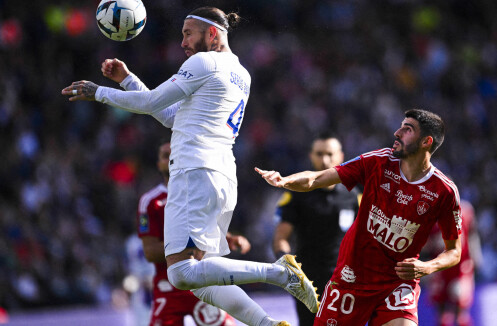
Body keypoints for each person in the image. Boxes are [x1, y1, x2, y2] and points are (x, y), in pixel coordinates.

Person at [62, 7, 319, 326]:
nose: (182, 42)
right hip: (222, 176)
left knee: (181, 273)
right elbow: (174, 118)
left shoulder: (203, 61)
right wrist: (128, 80)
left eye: (188, 33)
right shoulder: (241, 73)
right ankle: (268, 324)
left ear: (212, 34)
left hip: (194, 171)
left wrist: (97, 92)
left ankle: (279, 273)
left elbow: (152, 102)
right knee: (202, 279)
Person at [256, 109, 463, 326]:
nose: (397, 132)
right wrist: (284, 180)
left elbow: (454, 251)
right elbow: (315, 179)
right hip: (351, 278)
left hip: (397, 283)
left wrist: (428, 266)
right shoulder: (377, 162)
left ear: (426, 142)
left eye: (407, 129)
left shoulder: (444, 191)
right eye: (401, 126)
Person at [137, 142, 251, 326]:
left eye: (175, 154)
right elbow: (150, 252)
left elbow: (210, 230)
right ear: (159, 164)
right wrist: (195, 244)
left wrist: (228, 238)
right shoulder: (151, 202)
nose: (171, 159)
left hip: (204, 284)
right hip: (168, 289)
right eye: (165, 156)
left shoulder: (202, 193)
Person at [271, 133, 360, 326]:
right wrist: (287, 264)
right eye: (319, 154)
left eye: (329, 153)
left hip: (344, 280)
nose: (324, 159)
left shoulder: (354, 196)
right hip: (307, 283)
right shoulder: (296, 195)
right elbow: (281, 237)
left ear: (341, 156)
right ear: (311, 156)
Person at [426, 199, 482, 326]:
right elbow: (423, 241)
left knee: (460, 307)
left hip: (460, 267)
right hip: (439, 268)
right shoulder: (430, 213)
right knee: (441, 313)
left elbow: (472, 233)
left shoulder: (466, 209)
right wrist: (435, 244)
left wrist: (476, 255)